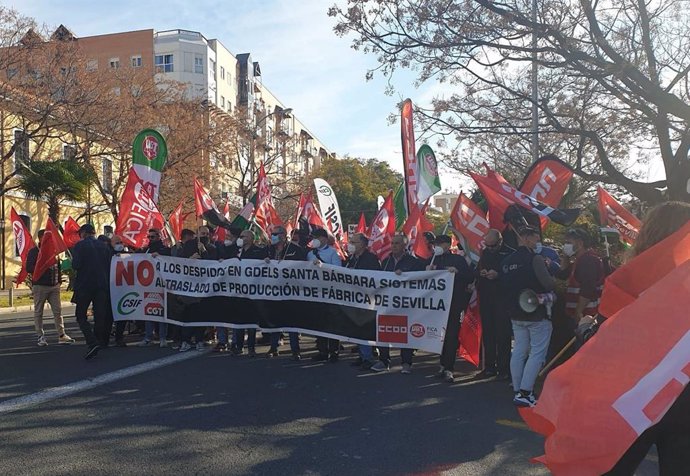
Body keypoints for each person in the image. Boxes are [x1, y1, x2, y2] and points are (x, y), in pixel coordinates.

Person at [603, 201, 690, 475]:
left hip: (632, 395)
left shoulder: (627, 279)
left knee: (613, 467)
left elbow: (609, 341)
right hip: (683, 395)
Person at [500, 225, 556, 407]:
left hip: (515, 312)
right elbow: (548, 284)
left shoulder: (506, 261)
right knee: (537, 353)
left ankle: (518, 390)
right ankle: (526, 392)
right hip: (536, 312)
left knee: (518, 351)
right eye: (535, 237)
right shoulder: (535, 259)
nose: (538, 241)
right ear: (526, 237)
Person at [427, 234, 475, 383]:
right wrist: (426, 270)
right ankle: (442, 364)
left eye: (440, 244)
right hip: (436, 305)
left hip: (454, 304)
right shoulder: (432, 259)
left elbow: (469, 276)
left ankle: (449, 367)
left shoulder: (458, 260)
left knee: (451, 335)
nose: (437, 247)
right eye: (436, 244)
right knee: (439, 336)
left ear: (448, 245)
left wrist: (457, 272)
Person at [374, 234, 425, 373]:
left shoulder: (414, 262)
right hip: (387, 302)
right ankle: (384, 361)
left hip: (406, 303)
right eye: (392, 243)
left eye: (397, 243)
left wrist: (404, 276)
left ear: (404, 245)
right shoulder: (386, 261)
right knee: (384, 330)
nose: (394, 246)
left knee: (405, 332)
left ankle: (406, 362)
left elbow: (421, 280)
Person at [476, 229, 514, 379]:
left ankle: (504, 369)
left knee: (503, 334)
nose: (490, 249)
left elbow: (514, 276)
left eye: (493, 246)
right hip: (486, 297)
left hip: (503, 298)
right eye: (488, 245)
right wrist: (481, 273)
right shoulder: (485, 253)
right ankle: (489, 367)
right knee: (488, 333)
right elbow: (477, 270)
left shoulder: (511, 253)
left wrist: (499, 275)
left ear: (500, 242)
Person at [264, 225, 307, 359]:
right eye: (272, 234)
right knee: (275, 319)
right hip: (273, 290)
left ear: (283, 235)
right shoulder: (268, 250)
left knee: (292, 321)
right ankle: (273, 347)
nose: (273, 236)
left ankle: (295, 350)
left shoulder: (295, 250)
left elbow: (303, 267)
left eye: (275, 234)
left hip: (291, 290)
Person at [25, 229, 74, 346]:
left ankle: (61, 335)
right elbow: (29, 268)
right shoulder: (34, 252)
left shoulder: (54, 252)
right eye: (48, 237)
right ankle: (40, 336)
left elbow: (58, 266)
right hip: (40, 286)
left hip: (54, 286)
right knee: (39, 312)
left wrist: (58, 281)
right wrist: (41, 265)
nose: (51, 240)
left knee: (58, 311)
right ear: (41, 238)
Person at [71, 223, 112, 359]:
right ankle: (99, 340)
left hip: (85, 285)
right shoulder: (104, 246)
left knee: (81, 315)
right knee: (100, 315)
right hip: (101, 285)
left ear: (83, 233)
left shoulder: (80, 246)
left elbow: (76, 265)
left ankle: (91, 341)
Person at [344, 233, 381, 370]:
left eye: (354, 242)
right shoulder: (352, 258)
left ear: (363, 245)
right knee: (357, 328)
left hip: (367, 299)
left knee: (364, 327)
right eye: (351, 242)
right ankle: (362, 355)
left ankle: (368, 357)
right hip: (354, 298)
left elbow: (375, 278)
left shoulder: (370, 259)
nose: (351, 245)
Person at [179, 226, 218, 352]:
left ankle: (199, 340)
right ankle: (185, 340)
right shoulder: (189, 245)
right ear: (197, 234)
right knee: (189, 314)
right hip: (190, 286)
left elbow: (213, 263)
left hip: (204, 286)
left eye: (207, 234)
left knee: (200, 314)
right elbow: (178, 261)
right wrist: (190, 260)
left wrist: (204, 253)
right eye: (202, 233)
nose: (205, 235)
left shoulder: (212, 247)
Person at [231, 228, 268, 356]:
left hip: (252, 291)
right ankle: (238, 346)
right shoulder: (235, 250)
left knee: (251, 321)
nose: (241, 238)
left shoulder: (259, 251)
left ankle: (251, 347)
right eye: (240, 236)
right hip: (238, 291)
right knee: (239, 320)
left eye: (244, 236)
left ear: (251, 239)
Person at [308, 227, 343, 363]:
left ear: (323, 239)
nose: (313, 240)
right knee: (320, 322)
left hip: (330, 292)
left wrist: (323, 266)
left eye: (316, 237)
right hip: (316, 292)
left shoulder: (332, 253)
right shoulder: (310, 254)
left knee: (332, 322)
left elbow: (338, 271)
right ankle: (322, 350)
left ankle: (334, 351)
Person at [556, 227, 605, 323]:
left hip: (586, 315)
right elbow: (562, 274)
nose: (566, 246)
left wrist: (578, 312)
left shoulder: (588, 261)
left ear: (580, 243)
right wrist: (565, 256)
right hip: (581, 313)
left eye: (569, 243)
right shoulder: (579, 261)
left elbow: (587, 289)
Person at [138, 228, 171, 348]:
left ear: (158, 237)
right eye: (149, 237)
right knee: (148, 312)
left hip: (161, 285)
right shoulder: (146, 250)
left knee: (161, 313)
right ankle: (148, 337)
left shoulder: (165, 249)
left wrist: (160, 255)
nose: (150, 239)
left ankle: (162, 337)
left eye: (152, 237)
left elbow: (170, 259)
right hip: (148, 285)